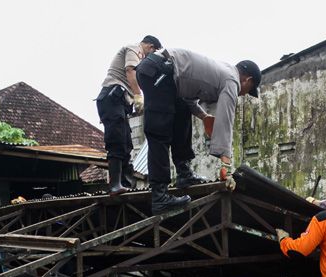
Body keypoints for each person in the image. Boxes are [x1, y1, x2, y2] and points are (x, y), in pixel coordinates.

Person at [135, 48, 261, 214]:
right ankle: (160, 197)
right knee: (160, 133)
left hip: (165, 74)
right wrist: (226, 166)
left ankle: (184, 174)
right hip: (160, 70)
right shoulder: (232, 80)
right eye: (248, 91)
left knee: (182, 111)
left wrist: (204, 117)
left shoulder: (221, 74)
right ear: (247, 80)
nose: (244, 95)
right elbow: (226, 121)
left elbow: (188, 100)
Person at [96, 35, 162, 195]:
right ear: (150, 46)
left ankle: (124, 183)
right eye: (152, 52)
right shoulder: (134, 49)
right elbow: (130, 70)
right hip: (112, 97)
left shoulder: (141, 59)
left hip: (120, 102)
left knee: (126, 143)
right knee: (116, 139)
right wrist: (138, 95)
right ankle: (115, 185)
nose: (150, 57)